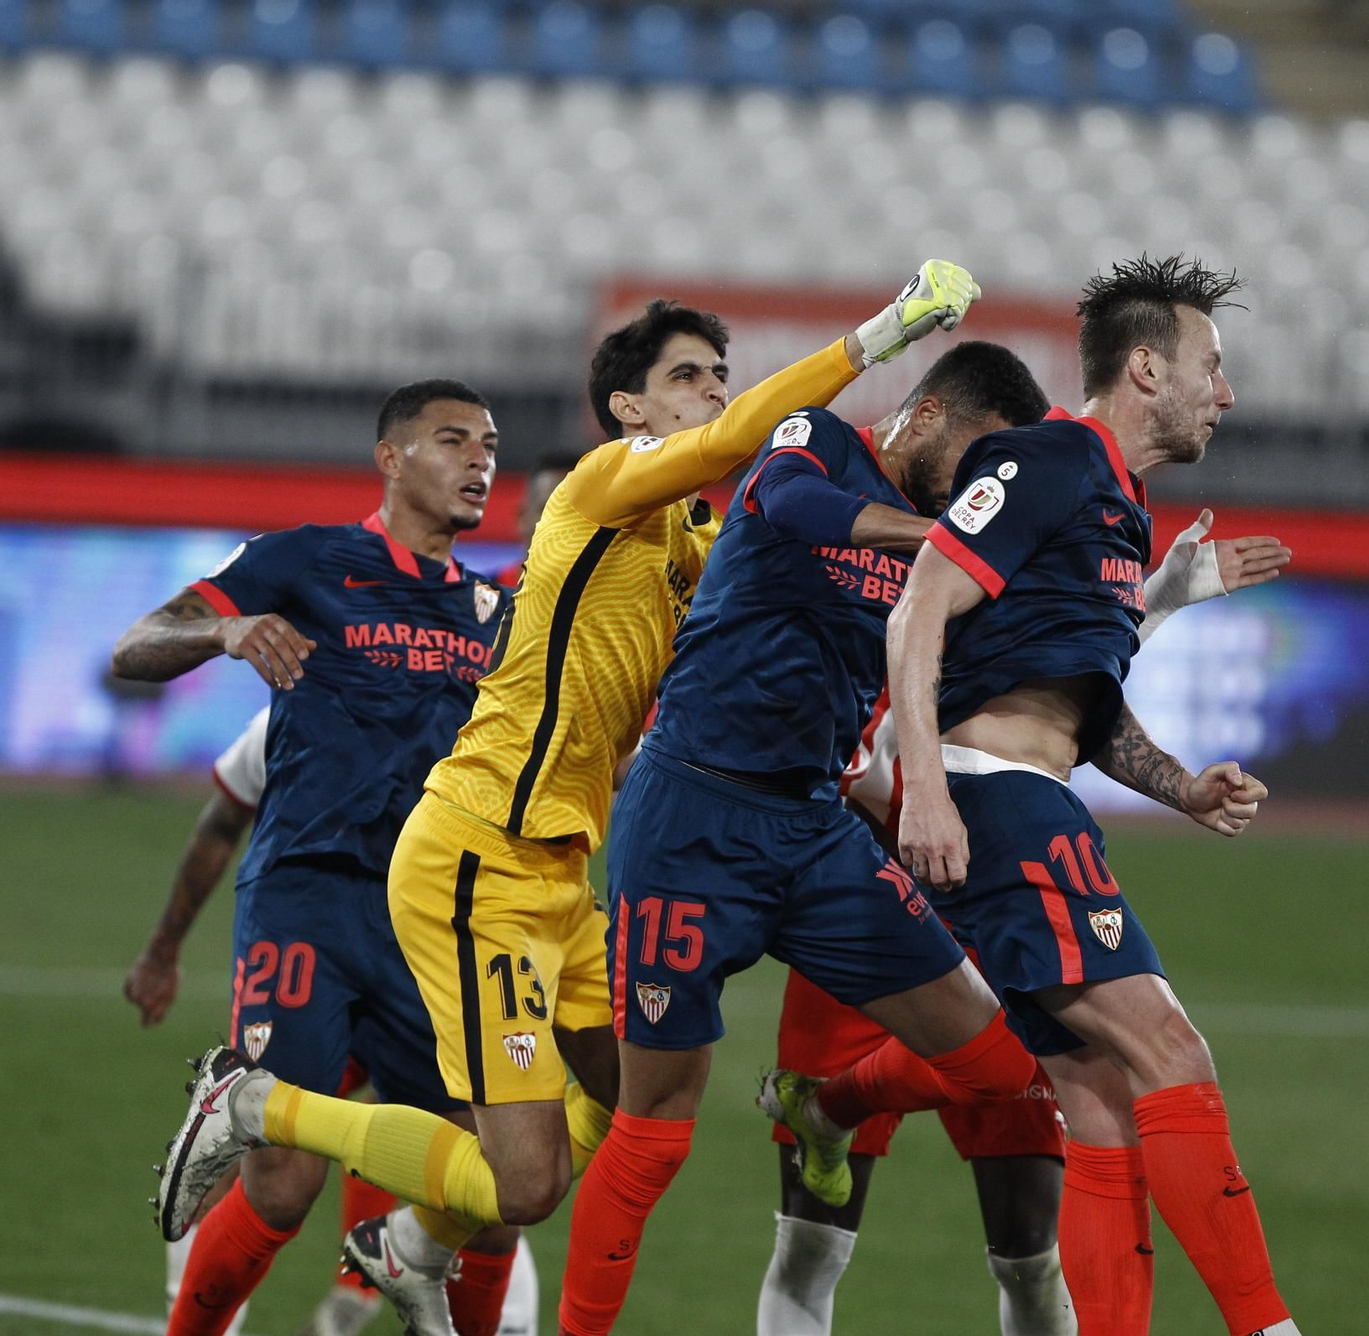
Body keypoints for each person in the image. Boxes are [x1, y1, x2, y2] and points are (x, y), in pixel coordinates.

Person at [149, 262, 982, 1336]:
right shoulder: (600, 482)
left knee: (630, 1098)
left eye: (721, 375)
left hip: (557, 872)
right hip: (479, 854)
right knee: (527, 1185)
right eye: (688, 376)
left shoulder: (695, 548)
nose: (714, 392)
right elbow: (739, 448)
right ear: (630, 408)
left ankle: (412, 1244)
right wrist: (876, 339)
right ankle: (256, 1106)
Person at [773, 256, 1303, 1336]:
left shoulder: (1118, 507)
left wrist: (1180, 785)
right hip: (998, 806)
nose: (1227, 390)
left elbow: (1081, 709)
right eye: (1213, 363)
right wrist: (923, 784)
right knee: (1169, 1052)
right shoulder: (1048, 460)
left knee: (1097, 1098)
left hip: (1019, 794)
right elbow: (918, 606)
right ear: (1147, 366)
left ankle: (833, 1106)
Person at [556, 338, 1062, 1336]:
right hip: (690, 813)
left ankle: (824, 1105)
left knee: (1001, 1065)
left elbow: (1042, 654)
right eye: (974, 462)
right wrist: (932, 536)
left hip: (811, 825)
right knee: (651, 1133)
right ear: (921, 420)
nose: (977, 491)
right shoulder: (818, 443)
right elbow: (787, 502)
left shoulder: (934, 567)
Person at [119, 379, 527, 1336]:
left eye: (490, 444)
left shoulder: (499, 609)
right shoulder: (303, 560)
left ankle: (402, 1275)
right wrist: (224, 629)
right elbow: (137, 644)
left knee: (498, 1178)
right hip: (310, 896)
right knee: (285, 1184)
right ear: (390, 458)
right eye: (454, 440)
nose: (481, 461)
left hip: (432, 922)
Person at [123, 708, 539, 1336]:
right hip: (317, 957)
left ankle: (373, 1287)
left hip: (426, 961)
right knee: (252, 1159)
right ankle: (228, 1313)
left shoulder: (480, 707)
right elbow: (224, 816)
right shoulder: (297, 705)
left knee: (497, 1178)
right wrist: (162, 950)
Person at [494, 450, 585, 588]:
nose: (562, 523)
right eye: (548, 509)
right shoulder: (475, 601)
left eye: (575, 512)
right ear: (522, 518)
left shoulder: (613, 602)